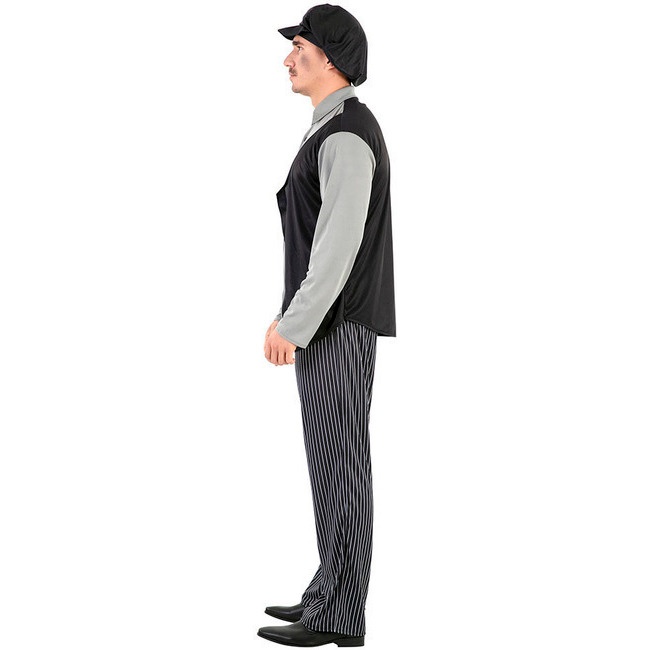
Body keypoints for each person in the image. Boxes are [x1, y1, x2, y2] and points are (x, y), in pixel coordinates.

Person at [259, 4, 396, 647]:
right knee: (332, 464)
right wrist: (290, 316)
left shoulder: (345, 134)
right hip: (326, 325)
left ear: (332, 59)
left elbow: (337, 250)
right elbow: (320, 243)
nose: (288, 58)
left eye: (301, 48)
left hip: (336, 327)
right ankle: (329, 595)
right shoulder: (332, 129)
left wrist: (294, 324)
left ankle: (341, 613)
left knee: (341, 464)